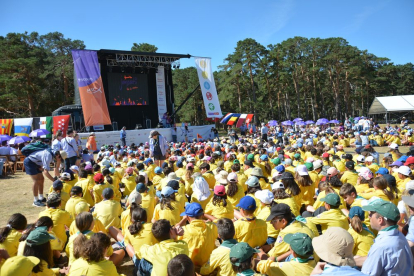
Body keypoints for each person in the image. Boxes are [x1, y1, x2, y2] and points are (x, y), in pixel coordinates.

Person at [359, 199, 413, 275]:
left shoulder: (381, 247)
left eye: (371, 214)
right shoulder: (400, 236)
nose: (369, 217)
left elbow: (367, 274)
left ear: (380, 220)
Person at [178, 202, 218, 266]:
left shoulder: (184, 230)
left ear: (187, 217)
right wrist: (204, 214)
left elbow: (173, 231)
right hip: (208, 265)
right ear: (202, 215)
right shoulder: (211, 227)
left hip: (191, 266)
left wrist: (183, 220)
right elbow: (218, 221)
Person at [22, 142, 56, 207]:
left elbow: (41, 160)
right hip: (30, 162)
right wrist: (54, 180)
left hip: (36, 163)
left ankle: (41, 197)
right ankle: (35, 201)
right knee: (36, 180)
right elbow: (45, 172)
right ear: (58, 155)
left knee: (41, 179)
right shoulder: (48, 155)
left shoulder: (51, 153)